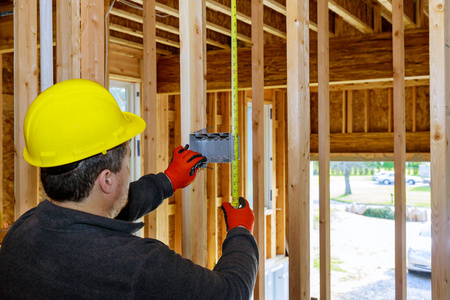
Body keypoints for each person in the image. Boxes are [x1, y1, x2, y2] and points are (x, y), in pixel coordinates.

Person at [0, 79, 258, 299]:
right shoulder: (141, 265)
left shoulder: (22, 230)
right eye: (125, 163)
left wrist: (168, 180)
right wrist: (241, 232)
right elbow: (232, 292)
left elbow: (100, 217)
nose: (127, 170)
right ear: (107, 180)